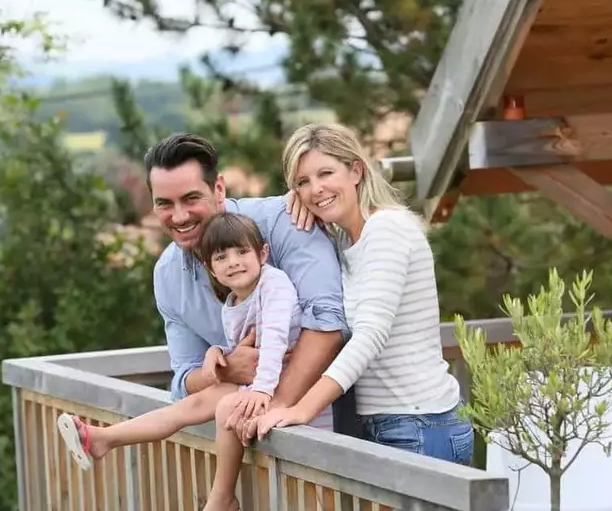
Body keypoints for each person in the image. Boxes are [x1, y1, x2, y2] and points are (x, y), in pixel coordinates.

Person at [220, 123, 473, 467]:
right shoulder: (341, 240)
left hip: (420, 426)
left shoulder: (388, 230)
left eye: (326, 173)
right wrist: (288, 204)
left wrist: (296, 408)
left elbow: (369, 337)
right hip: (379, 425)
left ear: (356, 170)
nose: (316, 189)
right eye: (302, 182)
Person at [56, 212, 331, 480]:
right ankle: (103, 438)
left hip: (290, 390)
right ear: (211, 268)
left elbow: (274, 338)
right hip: (262, 387)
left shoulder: (274, 284)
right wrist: (218, 353)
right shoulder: (232, 303)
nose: (233, 262)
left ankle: (222, 498)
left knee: (224, 408)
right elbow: (243, 348)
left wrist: (261, 389)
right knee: (193, 403)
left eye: (241, 252)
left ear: (262, 253)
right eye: (221, 257)